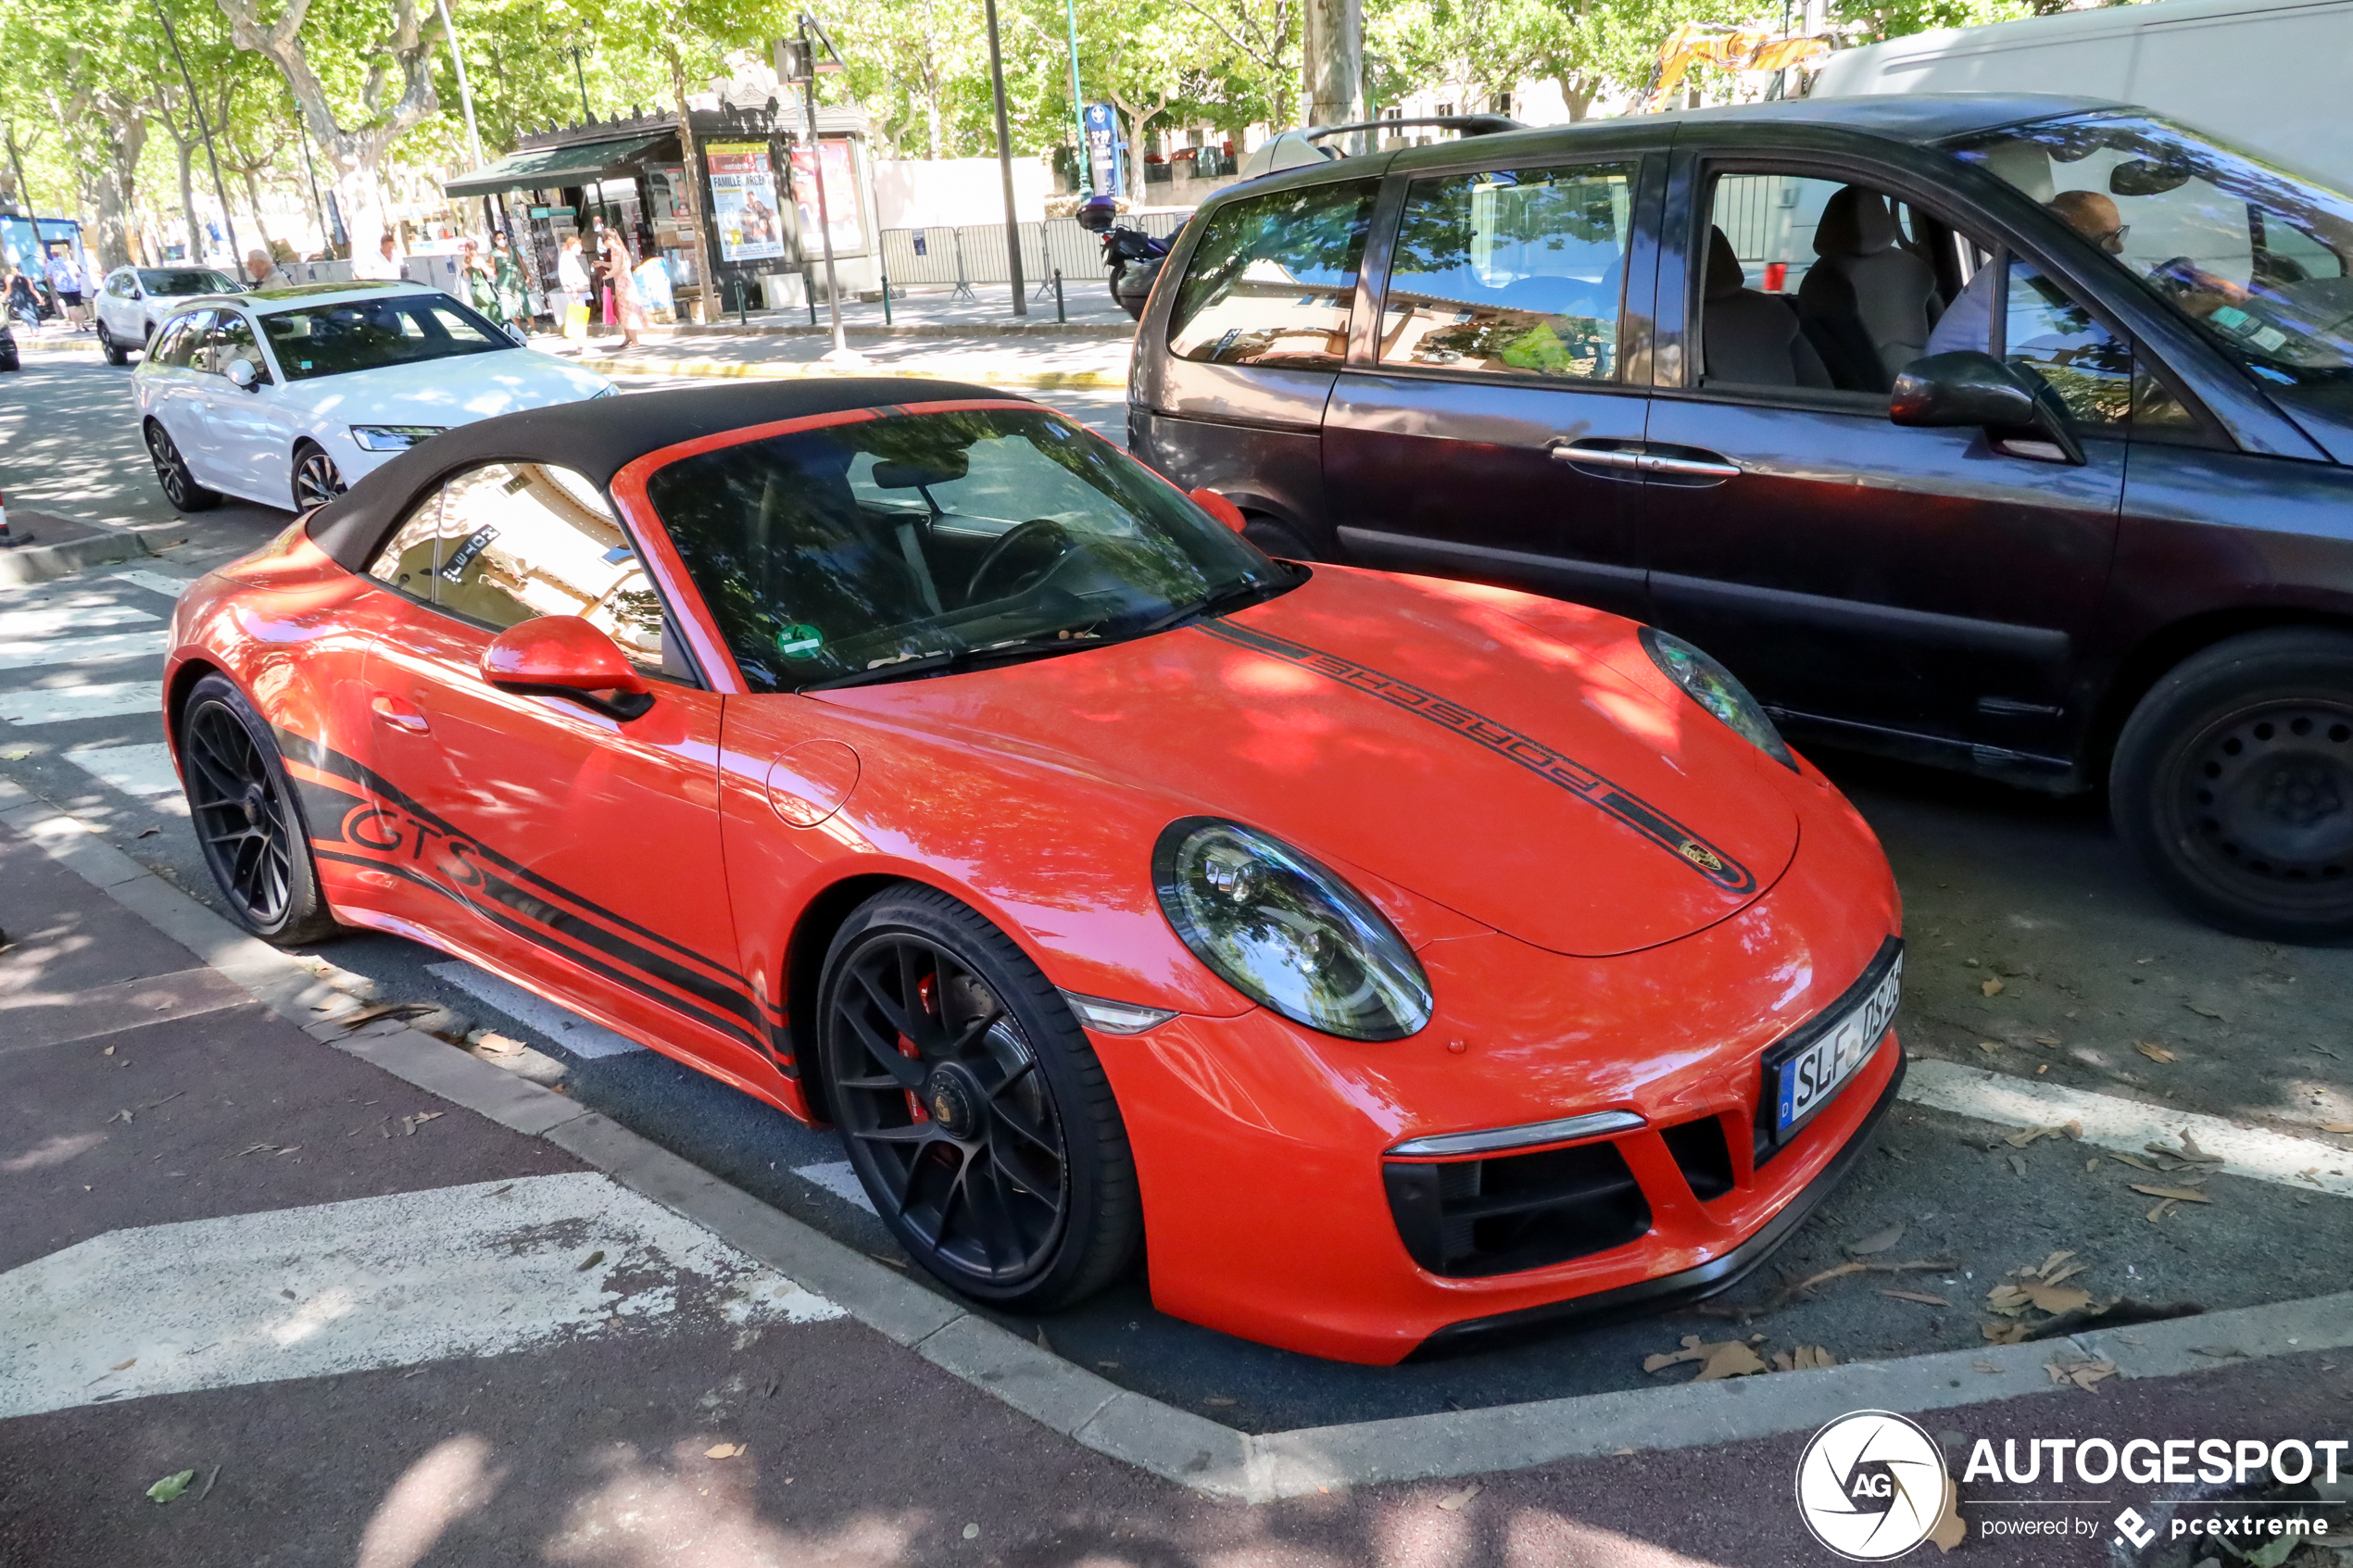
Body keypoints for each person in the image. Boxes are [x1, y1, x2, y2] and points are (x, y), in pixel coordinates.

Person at [1925, 190, 2129, 358]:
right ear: (2064, 239)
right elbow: (2031, 365)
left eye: (2118, 234)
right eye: (2105, 238)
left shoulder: (2053, 266)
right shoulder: (2016, 286)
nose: (2118, 248)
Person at [601, 231, 645, 350]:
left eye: (604, 241)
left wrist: (606, 276)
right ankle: (628, 336)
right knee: (623, 310)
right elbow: (615, 266)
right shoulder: (618, 250)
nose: (603, 244)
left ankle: (634, 340)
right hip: (623, 283)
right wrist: (602, 264)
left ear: (609, 239)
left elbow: (616, 268)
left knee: (627, 310)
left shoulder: (617, 251)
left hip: (623, 284)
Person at [460, 238, 504, 325]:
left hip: (474, 290)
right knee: (491, 308)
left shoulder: (465, 262)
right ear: (476, 247)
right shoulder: (478, 259)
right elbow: (490, 273)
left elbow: (466, 278)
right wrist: (492, 266)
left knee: (481, 309)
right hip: (482, 288)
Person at [489, 231, 528, 327]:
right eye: (499, 239)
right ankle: (519, 328)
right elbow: (493, 268)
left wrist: (527, 275)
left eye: (504, 238)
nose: (502, 240)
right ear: (495, 240)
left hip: (517, 279)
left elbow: (521, 263)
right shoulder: (493, 253)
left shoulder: (513, 249)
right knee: (509, 304)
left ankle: (533, 327)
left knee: (523, 301)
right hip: (503, 282)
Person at [555, 232, 591, 330]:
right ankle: (580, 341)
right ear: (571, 246)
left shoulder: (568, 256)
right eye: (578, 246)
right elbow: (568, 275)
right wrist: (573, 290)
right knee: (578, 314)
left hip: (576, 289)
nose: (581, 249)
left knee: (579, 313)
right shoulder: (567, 257)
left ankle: (581, 340)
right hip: (575, 290)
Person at [44, 246, 83, 332]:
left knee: (70, 306)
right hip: (75, 286)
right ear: (60, 254)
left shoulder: (50, 264)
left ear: (52, 255)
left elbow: (48, 276)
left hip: (62, 288)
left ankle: (77, 326)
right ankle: (82, 323)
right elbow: (78, 274)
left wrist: (55, 278)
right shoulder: (70, 262)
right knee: (79, 305)